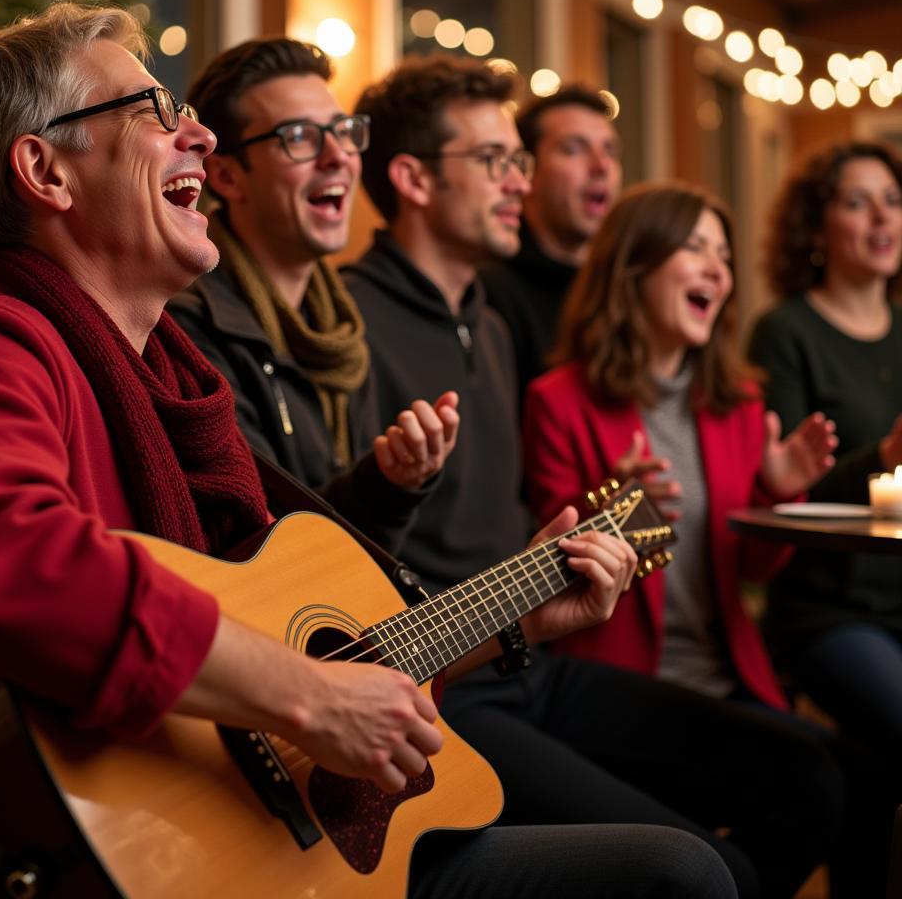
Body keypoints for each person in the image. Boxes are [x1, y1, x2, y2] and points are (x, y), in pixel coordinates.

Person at [0, 3, 735, 899]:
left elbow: (298, 662)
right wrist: (308, 696)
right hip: (123, 864)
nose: (200, 136)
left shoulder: (176, 387)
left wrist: (514, 621)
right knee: (679, 876)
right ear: (44, 170)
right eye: (152, 112)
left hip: (264, 837)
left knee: (681, 868)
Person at [345, 55, 845, 899]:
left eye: (519, 160)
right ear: (413, 179)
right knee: (713, 871)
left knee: (816, 783)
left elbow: (541, 533)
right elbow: (328, 542)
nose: (521, 182)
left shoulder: (492, 328)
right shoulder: (353, 322)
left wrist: (636, 518)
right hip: (443, 684)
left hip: (531, 658)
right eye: (499, 162)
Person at [523, 182, 838, 710]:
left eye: (724, 255)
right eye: (695, 248)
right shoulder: (556, 400)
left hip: (727, 676)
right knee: (816, 783)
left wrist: (775, 495)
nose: (719, 271)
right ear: (633, 267)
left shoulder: (739, 401)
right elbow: (546, 574)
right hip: (619, 688)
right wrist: (610, 504)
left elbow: (753, 570)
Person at [168, 37, 458, 557]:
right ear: (228, 177)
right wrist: (384, 484)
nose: (338, 157)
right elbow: (264, 554)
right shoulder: (193, 332)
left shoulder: (340, 330)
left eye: (344, 133)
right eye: (300, 136)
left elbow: (367, 561)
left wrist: (394, 484)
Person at [748, 141, 902, 878]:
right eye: (856, 200)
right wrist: (880, 460)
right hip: (829, 613)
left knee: (873, 776)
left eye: (893, 199)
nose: (882, 215)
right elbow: (783, 493)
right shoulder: (786, 333)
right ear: (816, 229)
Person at [480, 84, 621, 398]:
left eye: (610, 150)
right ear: (526, 171)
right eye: (574, 149)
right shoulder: (490, 291)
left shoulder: (620, 287)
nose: (602, 166)